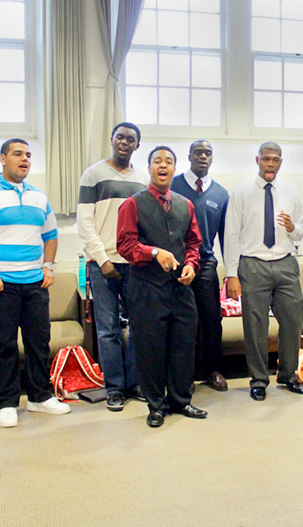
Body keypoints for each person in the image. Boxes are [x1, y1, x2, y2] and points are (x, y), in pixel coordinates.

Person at [0, 138, 70, 428]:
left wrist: (48, 266)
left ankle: (39, 397)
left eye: (29, 155)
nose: (25, 159)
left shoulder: (38, 197)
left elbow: (51, 235)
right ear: (3, 159)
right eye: (18, 154)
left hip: (35, 283)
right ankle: (6, 403)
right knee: (4, 345)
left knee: (38, 342)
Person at [117, 146, 207, 428]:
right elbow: (125, 246)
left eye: (169, 161)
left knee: (183, 345)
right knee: (150, 348)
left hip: (180, 288)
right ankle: (155, 405)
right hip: (146, 287)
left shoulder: (185, 204)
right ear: (150, 167)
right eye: (158, 161)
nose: (163, 165)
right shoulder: (132, 204)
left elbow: (193, 244)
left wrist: (192, 264)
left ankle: (180, 400)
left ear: (174, 168)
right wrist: (154, 252)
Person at [224, 142, 303, 401]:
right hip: (253, 264)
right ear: (257, 160)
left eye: (276, 160)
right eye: (266, 159)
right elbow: (231, 234)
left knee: (293, 320)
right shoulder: (241, 191)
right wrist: (232, 273)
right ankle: (259, 380)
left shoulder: (291, 190)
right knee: (255, 325)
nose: (271, 164)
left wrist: (293, 227)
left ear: (281, 162)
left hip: (285, 262)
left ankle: (288, 375)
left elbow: (301, 231)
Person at [76, 122, 148, 411]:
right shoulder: (93, 174)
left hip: (134, 265)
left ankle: (134, 383)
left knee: (139, 328)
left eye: (130, 139)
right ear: (111, 140)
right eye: (120, 137)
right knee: (107, 330)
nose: (124, 142)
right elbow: (85, 223)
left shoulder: (143, 179)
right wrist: (102, 260)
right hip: (102, 264)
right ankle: (114, 388)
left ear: (136, 146)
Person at [171, 140, 229, 392]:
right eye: (198, 152)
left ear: (212, 159)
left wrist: (233, 272)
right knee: (182, 321)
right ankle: (184, 375)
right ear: (189, 156)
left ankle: (212, 370)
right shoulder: (172, 185)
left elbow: (227, 237)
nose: (203, 157)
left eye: (208, 153)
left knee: (211, 320)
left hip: (205, 264)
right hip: (175, 264)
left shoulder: (221, 194)